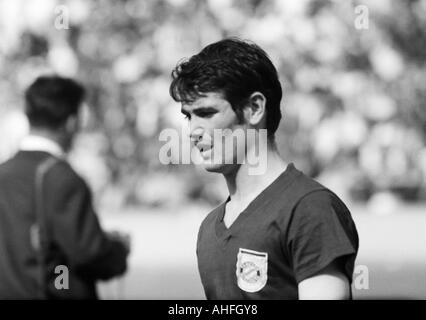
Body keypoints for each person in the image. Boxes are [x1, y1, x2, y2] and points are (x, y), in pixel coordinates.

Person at [169, 38, 359, 300]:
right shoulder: (210, 226)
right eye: (189, 116)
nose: (193, 132)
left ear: (255, 108)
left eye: (207, 113)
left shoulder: (309, 209)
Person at [0, 75, 130, 299]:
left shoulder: (4, 172)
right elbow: (87, 254)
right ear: (72, 121)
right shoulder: (61, 179)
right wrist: (118, 249)